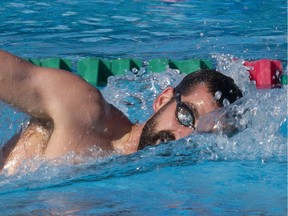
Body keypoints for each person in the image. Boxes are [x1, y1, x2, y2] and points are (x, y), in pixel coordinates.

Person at [0, 50, 243, 174]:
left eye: (201, 133)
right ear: (163, 100)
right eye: (186, 115)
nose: (183, 136)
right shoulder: (82, 109)